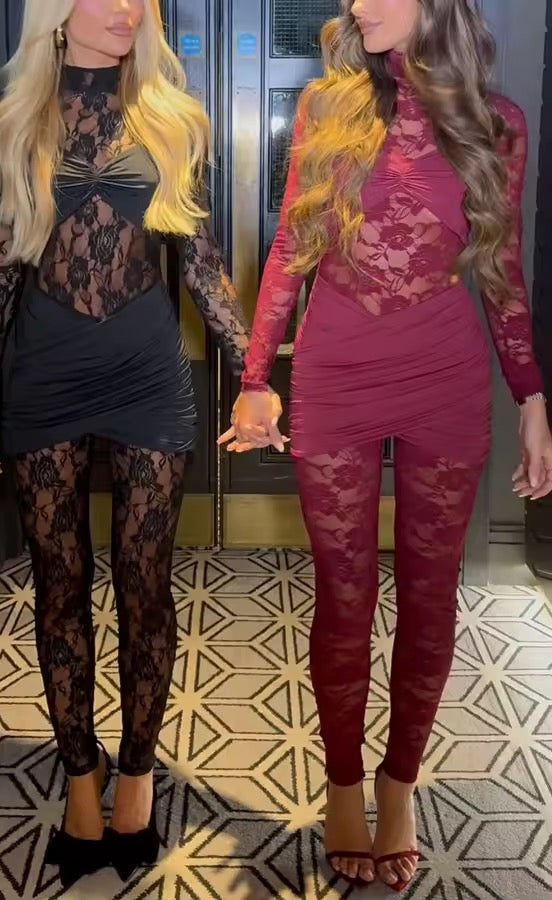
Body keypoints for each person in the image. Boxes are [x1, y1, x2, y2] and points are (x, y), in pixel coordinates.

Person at [221, 0, 552, 892]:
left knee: (431, 598)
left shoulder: (496, 123)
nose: (357, 5)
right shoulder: (329, 107)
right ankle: (342, 784)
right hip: (335, 373)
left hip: (446, 377)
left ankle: (398, 785)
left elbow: (502, 270)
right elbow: (291, 247)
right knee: (344, 595)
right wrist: (255, 378)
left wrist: (531, 396)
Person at [0, 0, 249, 889]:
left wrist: (255, 372)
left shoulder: (171, 116)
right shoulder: (9, 123)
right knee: (59, 588)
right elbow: (3, 265)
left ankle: (137, 778)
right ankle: (80, 780)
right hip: (43, 375)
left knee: (144, 585)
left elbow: (200, 262)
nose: (127, 8)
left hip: (146, 374)